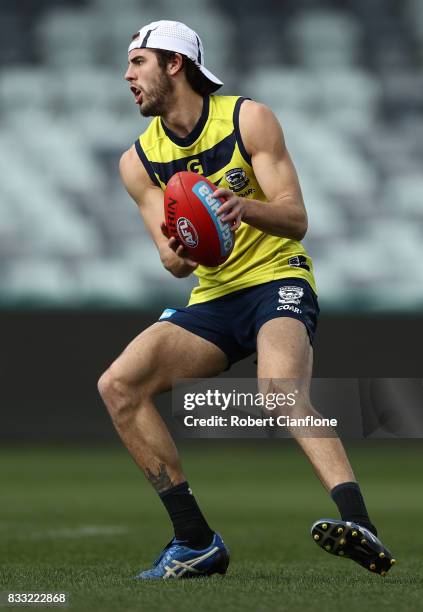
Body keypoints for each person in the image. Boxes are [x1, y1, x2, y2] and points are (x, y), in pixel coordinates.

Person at [98, 20, 395, 580]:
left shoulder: (246, 118)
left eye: (137, 62)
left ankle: (360, 524)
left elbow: (296, 218)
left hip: (277, 276)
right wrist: (191, 236)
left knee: (279, 391)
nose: (127, 75)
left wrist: (239, 207)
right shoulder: (138, 161)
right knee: (118, 386)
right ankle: (195, 541)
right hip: (215, 295)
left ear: (174, 64)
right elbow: (171, 260)